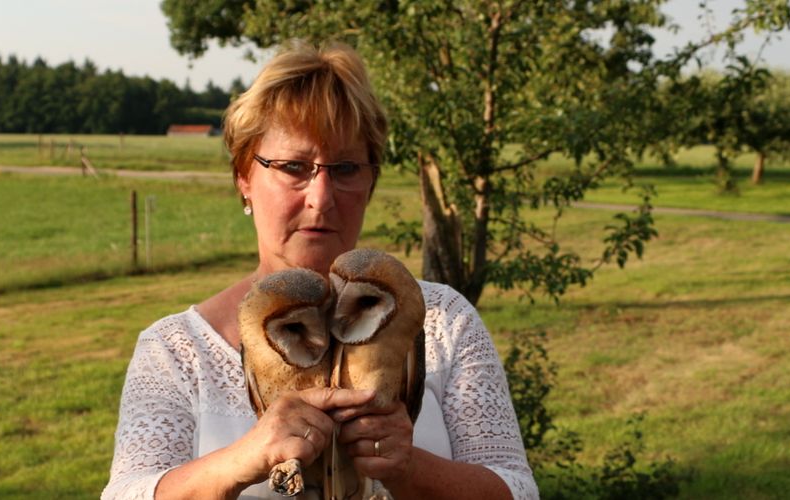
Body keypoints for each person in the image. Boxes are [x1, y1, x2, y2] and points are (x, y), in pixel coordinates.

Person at [102, 40, 538, 500]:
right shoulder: (177, 351)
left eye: (347, 167)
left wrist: (409, 469)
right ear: (244, 177)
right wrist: (243, 459)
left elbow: (517, 489)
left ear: (371, 182)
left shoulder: (442, 320)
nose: (321, 197)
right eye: (293, 167)